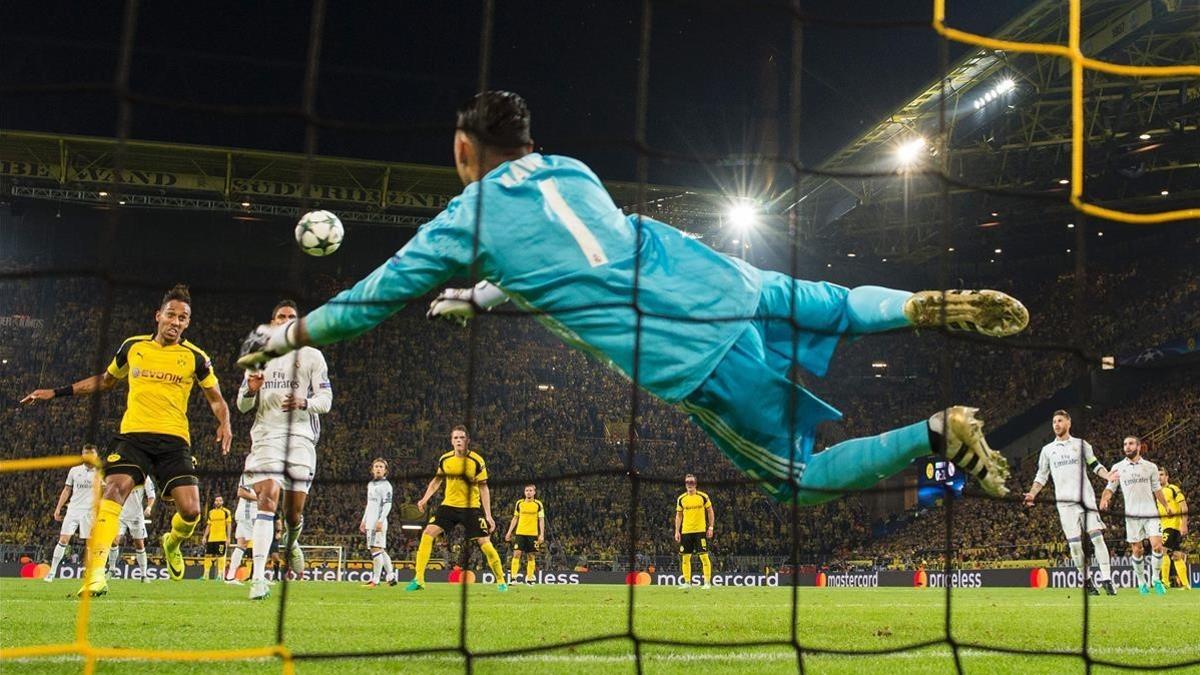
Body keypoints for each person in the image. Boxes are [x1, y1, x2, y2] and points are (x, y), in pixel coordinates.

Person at [236, 91, 1026, 507]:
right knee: (838, 304)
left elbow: (371, 301)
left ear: (462, 151)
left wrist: (288, 335)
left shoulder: (463, 216)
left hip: (683, 348)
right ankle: (920, 303)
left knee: (797, 478)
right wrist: (486, 295)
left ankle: (935, 431)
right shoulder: (572, 169)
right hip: (710, 273)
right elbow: (568, 258)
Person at [21, 284, 232, 597]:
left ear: (188, 323)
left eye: (183, 318)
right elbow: (106, 381)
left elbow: (215, 398)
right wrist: (55, 392)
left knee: (191, 511)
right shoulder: (133, 347)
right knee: (115, 489)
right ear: (158, 316)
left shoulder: (195, 357)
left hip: (174, 440)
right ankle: (94, 576)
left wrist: (225, 422)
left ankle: (172, 541)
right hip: (133, 435)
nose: (176, 321)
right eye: (171, 315)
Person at [236, 299, 333, 601]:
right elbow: (241, 406)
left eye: (292, 316)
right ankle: (259, 578)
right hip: (266, 438)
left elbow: (326, 401)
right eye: (281, 316)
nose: (287, 320)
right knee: (268, 497)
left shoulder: (313, 356)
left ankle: (290, 543)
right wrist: (250, 390)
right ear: (274, 321)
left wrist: (305, 402)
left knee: (293, 515)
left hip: (301, 440)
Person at [1023, 410, 1117, 596]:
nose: (1056, 424)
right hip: (1064, 504)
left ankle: (1107, 579)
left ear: (1068, 422)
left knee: (1097, 538)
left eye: (1059, 421)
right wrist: (1033, 493)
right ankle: (1087, 582)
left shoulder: (1081, 445)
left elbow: (1095, 465)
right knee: (1074, 545)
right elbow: (1041, 476)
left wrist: (1108, 475)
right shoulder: (1048, 450)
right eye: (1053, 422)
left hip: (1086, 500)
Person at [406, 426, 507, 592]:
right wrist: (425, 499)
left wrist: (488, 515)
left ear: (467, 440)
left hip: (471, 508)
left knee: (485, 543)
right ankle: (419, 579)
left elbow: (484, 488)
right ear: (451, 441)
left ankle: (501, 580)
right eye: (456, 438)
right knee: (427, 533)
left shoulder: (477, 461)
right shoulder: (445, 459)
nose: (459, 440)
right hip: (449, 506)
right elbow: (436, 481)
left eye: (462, 437)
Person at [1099, 437, 1171, 595]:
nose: (1127, 447)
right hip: (1131, 515)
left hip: (1151, 512)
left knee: (1157, 546)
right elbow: (1110, 487)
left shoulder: (1150, 467)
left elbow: (1156, 489)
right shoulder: (1118, 467)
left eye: (1130, 444)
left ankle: (1156, 579)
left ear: (1138, 447)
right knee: (1137, 550)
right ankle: (1141, 582)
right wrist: (1105, 498)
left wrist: (1165, 505)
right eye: (1125, 444)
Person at [46, 444, 98, 582]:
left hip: (90, 512)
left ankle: (90, 574)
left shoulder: (101, 472)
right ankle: (52, 573)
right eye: (86, 453)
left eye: (91, 453)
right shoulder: (74, 470)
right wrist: (58, 508)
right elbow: (67, 490)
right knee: (63, 540)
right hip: (73, 510)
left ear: (96, 455)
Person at [107, 476, 155, 582]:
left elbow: (151, 496)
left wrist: (149, 507)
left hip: (136, 516)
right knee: (114, 541)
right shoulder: (122, 474)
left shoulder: (144, 477)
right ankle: (112, 569)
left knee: (139, 545)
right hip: (120, 514)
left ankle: (143, 575)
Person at [675, 474, 715, 590]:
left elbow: (710, 512)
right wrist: (677, 531)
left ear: (695, 484)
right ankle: (687, 582)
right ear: (685, 484)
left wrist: (711, 527)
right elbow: (678, 516)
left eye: (692, 482)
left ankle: (707, 582)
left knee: (703, 556)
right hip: (686, 531)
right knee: (685, 558)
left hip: (700, 531)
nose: (689, 484)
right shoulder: (681, 499)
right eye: (687, 482)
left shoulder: (703, 496)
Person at [361, 458, 396, 587]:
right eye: (376, 466)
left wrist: (380, 521)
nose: (378, 468)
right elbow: (369, 504)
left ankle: (375, 580)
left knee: (375, 550)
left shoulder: (386, 486)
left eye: (381, 467)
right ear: (372, 469)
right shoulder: (371, 484)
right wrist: (364, 520)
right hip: (370, 521)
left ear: (385, 470)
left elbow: (388, 505)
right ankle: (391, 576)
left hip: (377, 522)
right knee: (380, 550)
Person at [504, 484, 545, 584]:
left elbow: (541, 519)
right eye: (527, 490)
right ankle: (513, 578)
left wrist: (541, 534)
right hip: (520, 533)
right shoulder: (519, 503)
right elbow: (515, 518)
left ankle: (530, 578)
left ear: (534, 492)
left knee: (531, 556)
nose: (528, 492)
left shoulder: (538, 504)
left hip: (532, 534)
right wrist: (509, 532)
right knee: (516, 554)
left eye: (530, 490)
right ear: (524, 492)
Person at [1156, 467, 1189, 589]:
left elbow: (1184, 507)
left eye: (1162, 474)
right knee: (1176, 555)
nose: (1159, 477)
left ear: (1167, 477)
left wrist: (1184, 524)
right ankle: (1186, 584)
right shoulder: (1158, 492)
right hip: (1164, 526)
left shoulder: (1173, 489)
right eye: (1157, 475)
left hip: (1172, 526)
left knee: (1162, 550)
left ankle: (1165, 581)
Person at [225, 473, 257, 585]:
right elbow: (241, 492)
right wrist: (260, 498)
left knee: (241, 545)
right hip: (248, 514)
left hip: (248, 515)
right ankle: (258, 577)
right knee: (259, 544)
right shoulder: (249, 474)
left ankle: (230, 577)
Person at [200, 496, 232, 581]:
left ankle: (219, 575)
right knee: (207, 556)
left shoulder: (226, 512)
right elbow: (208, 525)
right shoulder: (211, 512)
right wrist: (204, 537)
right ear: (214, 502)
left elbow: (229, 525)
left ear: (222, 502)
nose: (218, 502)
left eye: (220, 501)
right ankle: (205, 575)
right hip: (211, 538)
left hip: (221, 538)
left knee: (220, 556)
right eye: (216, 500)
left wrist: (228, 538)